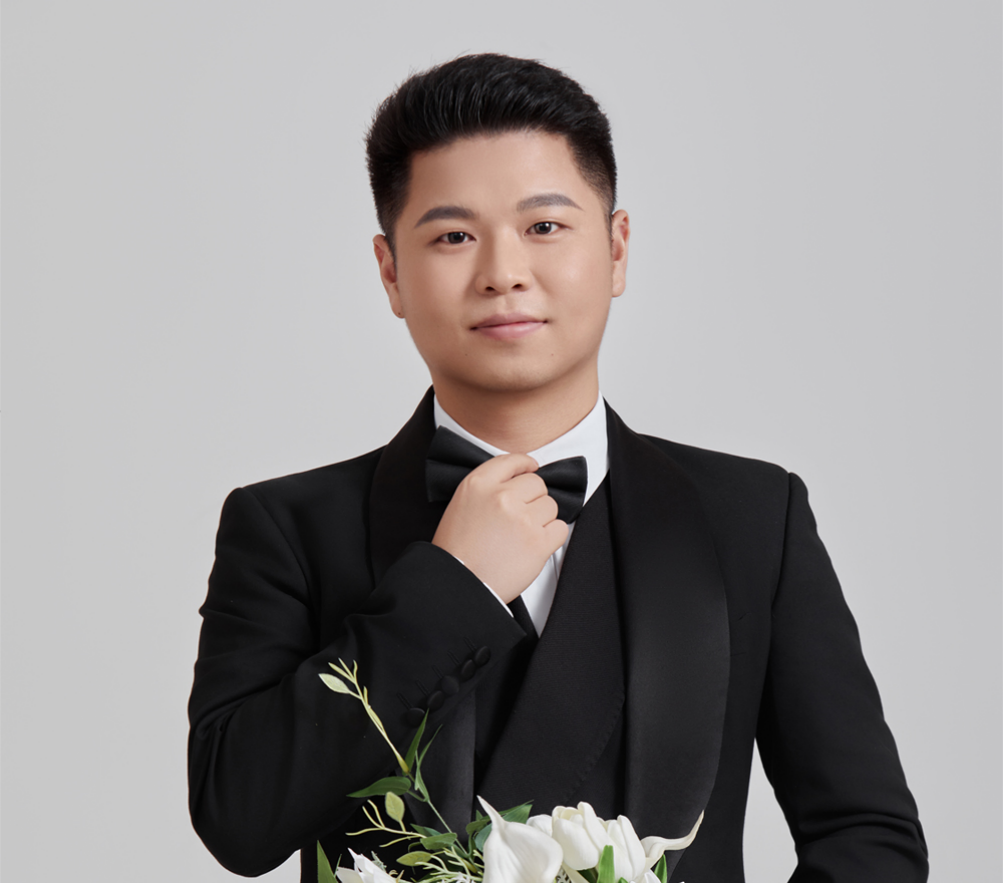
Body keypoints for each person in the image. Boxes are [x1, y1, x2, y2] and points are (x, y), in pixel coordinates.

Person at [188, 54, 928, 881]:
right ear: (391, 272)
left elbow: (868, 835)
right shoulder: (287, 528)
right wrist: (450, 586)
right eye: (453, 236)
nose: (503, 273)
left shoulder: (755, 517)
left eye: (544, 227)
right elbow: (238, 820)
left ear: (616, 249)